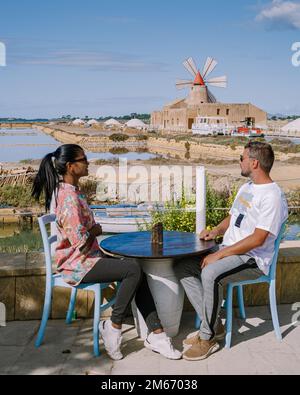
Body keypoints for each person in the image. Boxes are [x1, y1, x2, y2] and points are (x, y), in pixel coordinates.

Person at [32, 144, 181, 361]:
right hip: (77, 265)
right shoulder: (69, 198)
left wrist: (93, 231)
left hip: (88, 258)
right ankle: (113, 326)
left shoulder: (72, 192)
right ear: (71, 166)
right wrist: (96, 229)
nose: (88, 162)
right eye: (84, 159)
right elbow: (80, 243)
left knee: (135, 268)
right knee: (133, 269)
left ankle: (157, 334)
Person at [174, 141, 288, 361]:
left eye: (242, 158)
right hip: (230, 249)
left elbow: (258, 239)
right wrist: (216, 231)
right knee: (183, 267)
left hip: (252, 259)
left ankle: (207, 338)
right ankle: (214, 325)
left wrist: (219, 254)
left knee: (210, 272)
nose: (239, 161)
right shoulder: (247, 188)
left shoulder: (272, 196)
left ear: (254, 163)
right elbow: (234, 216)